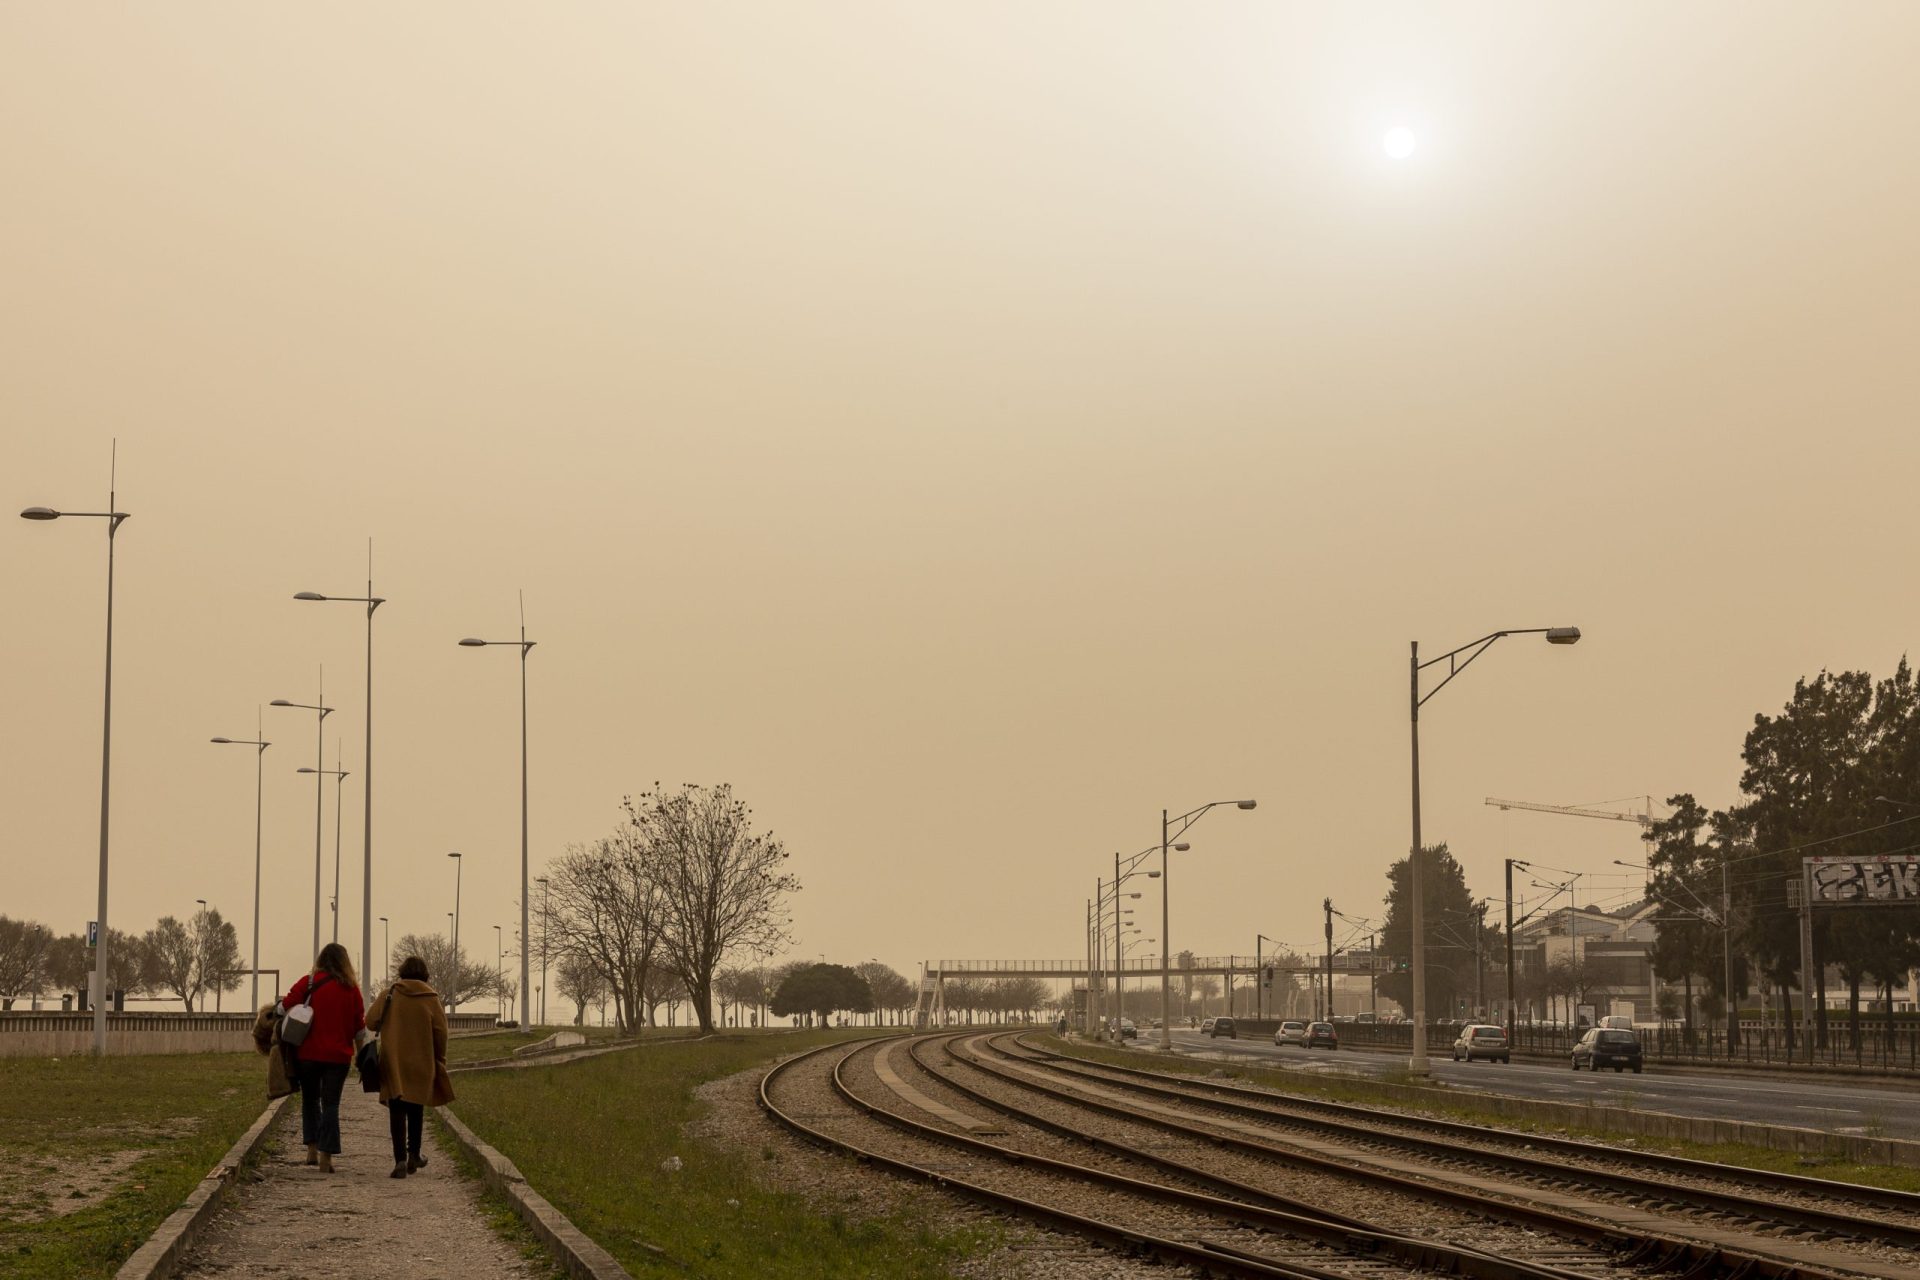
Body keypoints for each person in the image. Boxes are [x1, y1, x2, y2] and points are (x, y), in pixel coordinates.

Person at [277, 943, 365, 1173]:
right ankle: (327, 1156)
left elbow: (285, 1006)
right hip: (339, 1056)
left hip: (308, 1054)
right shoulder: (352, 989)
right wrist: (360, 1054)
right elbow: (359, 1027)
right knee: (331, 1103)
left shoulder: (308, 982)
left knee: (310, 1100)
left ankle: (312, 1150)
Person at [366, 954, 454, 1179]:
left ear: (402, 972)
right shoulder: (431, 999)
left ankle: (400, 1161)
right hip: (422, 1061)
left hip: (393, 1060)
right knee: (416, 1107)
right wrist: (440, 1059)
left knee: (397, 1109)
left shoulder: (390, 994)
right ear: (425, 975)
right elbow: (441, 1033)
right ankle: (414, 1153)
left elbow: (370, 1021)